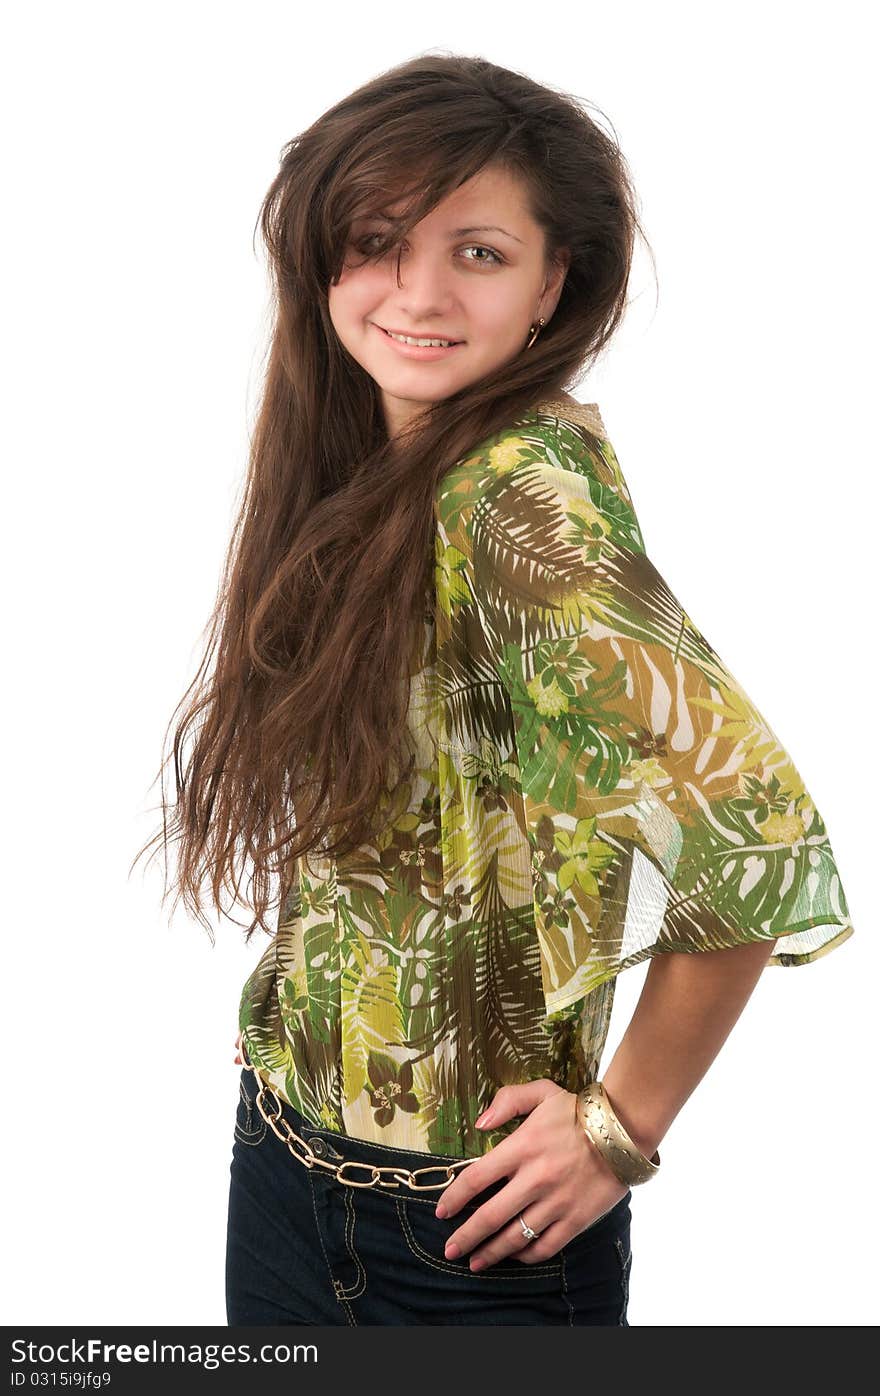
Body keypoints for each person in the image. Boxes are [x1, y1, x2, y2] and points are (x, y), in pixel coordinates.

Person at [137, 53, 854, 1326]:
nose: (416, 292)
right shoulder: (384, 465)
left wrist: (620, 1126)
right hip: (288, 1160)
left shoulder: (514, 499)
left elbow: (750, 837)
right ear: (321, 260)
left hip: (458, 1234)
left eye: (476, 252)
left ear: (550, 284)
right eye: (377, 240)